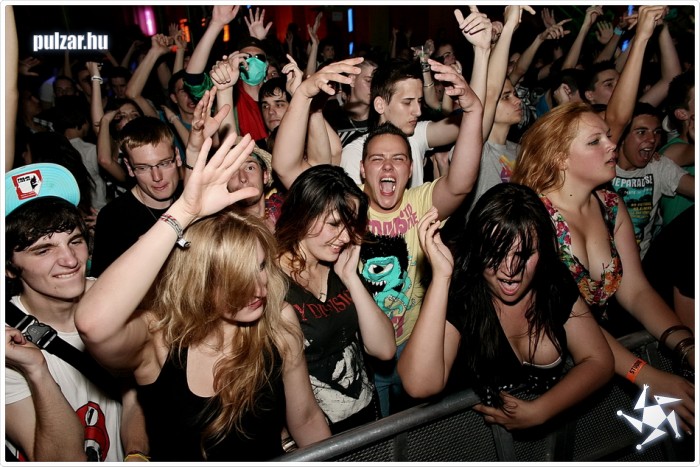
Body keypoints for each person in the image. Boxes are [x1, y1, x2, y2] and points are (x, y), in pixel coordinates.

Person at [74, 133, 331, 461]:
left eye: (260, 267)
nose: (258, 289)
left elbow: (305, 418)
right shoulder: (160, 339)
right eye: (235, 278)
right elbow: (92, 323)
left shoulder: (279, 319)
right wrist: (183, 212)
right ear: (199, 282)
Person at [272, 56, 484, 416]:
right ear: (362, 168)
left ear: (411, 168)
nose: (388, 166)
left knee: (421, 427)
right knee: (380, 432)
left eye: (398, 159)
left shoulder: (421, 202)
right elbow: (287, 166)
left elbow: (461, 183)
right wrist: (305, 94)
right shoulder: (347, 208)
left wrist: (473, 110)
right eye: (377, 159)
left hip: (416, 343)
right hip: (365, 349)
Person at [510, 102, 695, 432]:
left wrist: (686, 345)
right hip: (548, 373)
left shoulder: (609, 204)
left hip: (609, 360)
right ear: (560, 157)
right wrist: (647, 376)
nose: (612, 145)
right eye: (595, 141)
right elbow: (568, 319)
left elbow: (636, 291)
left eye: (609, 137)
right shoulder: (532, 220)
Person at [397, 184, 614, 430]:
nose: (509, 271)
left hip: (546, 443)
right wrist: (442, 278)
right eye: (496, 252)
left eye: (523, 255)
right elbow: (419, 385)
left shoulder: (552, 282)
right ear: (477, 249)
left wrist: (540, 411)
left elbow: (599, 360)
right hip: (468, 441)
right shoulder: (462, 292)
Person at [5, 163, 147, 461]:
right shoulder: (7, 344)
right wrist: (36, 370)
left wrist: (136, 454)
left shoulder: (118, 301)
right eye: (44, 250)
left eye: (75, 241)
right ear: (9, 267)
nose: (70, 260)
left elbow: (134, 394)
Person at [276, 165, 396, 434]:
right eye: (334, 224)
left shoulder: (340, 267)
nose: (345, 237)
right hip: (314, 433)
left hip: (367, 418)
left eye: (351, 226)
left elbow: (384, 349)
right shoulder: (271, 282)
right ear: (303, 214)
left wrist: (350, 278)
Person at [90, 116, 182, 276]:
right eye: (143, 168)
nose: (157, 177)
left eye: (164, 163)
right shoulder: (113, 217)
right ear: (129, 167)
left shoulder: (188, 198)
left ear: (177, 157)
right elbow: (102, 284)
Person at [611, 102, 694, 259]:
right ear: (622, 137)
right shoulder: (602, 167)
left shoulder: (657, 166)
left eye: (657, 132)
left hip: (642, 261)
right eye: (641, 132)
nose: (652, 139)